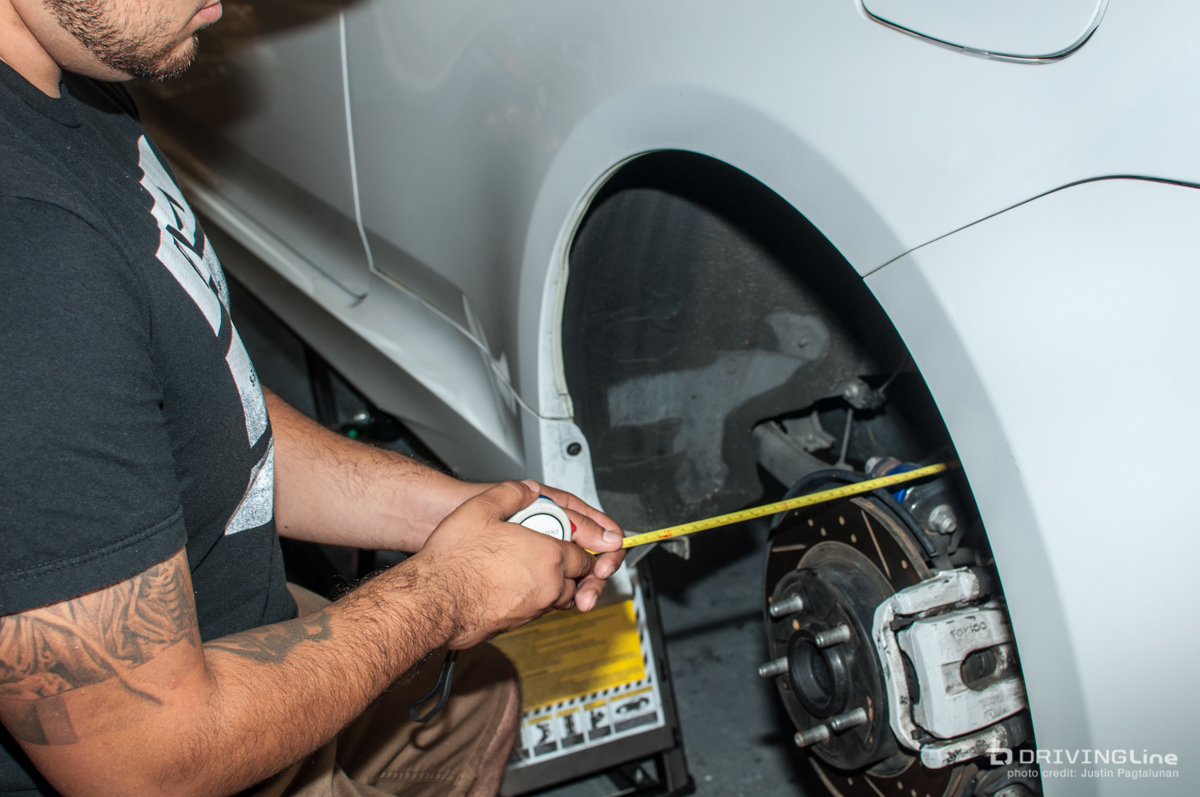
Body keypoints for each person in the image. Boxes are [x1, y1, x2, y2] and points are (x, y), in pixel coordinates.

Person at [0, 0, 627, 793]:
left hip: (227, 619)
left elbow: (185, 403)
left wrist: (445, 513)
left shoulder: (73, 84)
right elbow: (145, 761)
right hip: (188, 736)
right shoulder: (27, 254)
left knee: (478, 700)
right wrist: (446, 593)